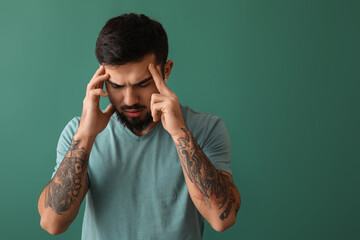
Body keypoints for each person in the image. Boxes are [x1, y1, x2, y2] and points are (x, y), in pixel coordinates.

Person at [38, 13, 241, 239]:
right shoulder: (79, 133)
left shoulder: (206, 128)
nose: (129, 99)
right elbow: (52, 223)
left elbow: (222, 218)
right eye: (116, 85)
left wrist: (179, 132)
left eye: (142, 84)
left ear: (166, 71)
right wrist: (85, 137)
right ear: (102, 78)